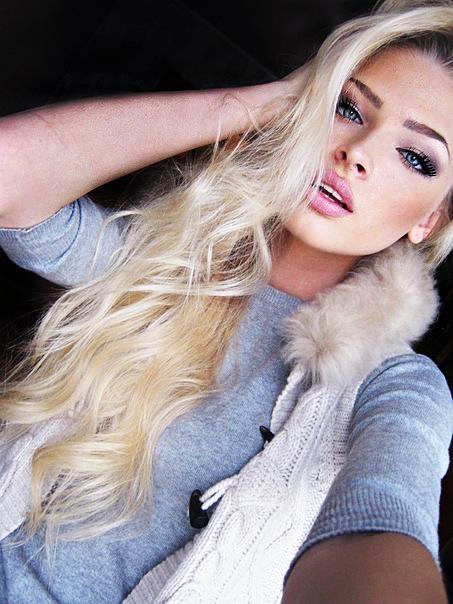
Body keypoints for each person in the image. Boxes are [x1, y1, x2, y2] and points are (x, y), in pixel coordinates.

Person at [1, 0, 453, 601]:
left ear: (430, 220)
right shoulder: (163, 257)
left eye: (416, 157)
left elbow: (387, 515)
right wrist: (265, 106)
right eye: (347, 109)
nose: (357, 153)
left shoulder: (393, 385)